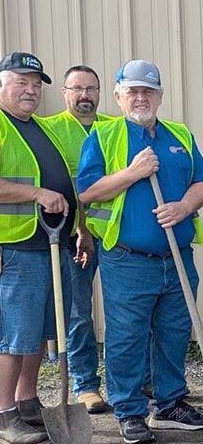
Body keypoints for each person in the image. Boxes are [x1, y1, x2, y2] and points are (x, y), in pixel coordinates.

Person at [77, 60, 203, 444]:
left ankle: (169, 404)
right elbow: (87, 193)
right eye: (133, 91)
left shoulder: (180, 135)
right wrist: (132, 172)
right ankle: (129, 409)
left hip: (176, 256)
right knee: (127, 336)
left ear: (160, 96)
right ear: (119, 95)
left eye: (148, 91)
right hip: (127, 258)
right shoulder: (104, 137)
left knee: (173, 332)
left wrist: (184, 207)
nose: (141, 98)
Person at [0, 52, 79, 444]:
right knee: (15, 335)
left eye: (35, 84)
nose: (30, 90)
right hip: (14, 245)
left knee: (41, 330)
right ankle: (5, 414)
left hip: (51, 242)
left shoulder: (39, 128)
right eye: (21, 82)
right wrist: (36, 192)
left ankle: (27, 401)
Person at [42, 65, 116, 414]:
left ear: (101, 93)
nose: (85, 95)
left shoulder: (115, 129)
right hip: (72, 236)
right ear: (65, 92)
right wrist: (79, 230)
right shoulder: (50, 130)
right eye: (77, 89)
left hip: (115, 235)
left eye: (91, 88)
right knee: (78, 313)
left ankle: (128, 381)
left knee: (125, 313)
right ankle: (85, 385)